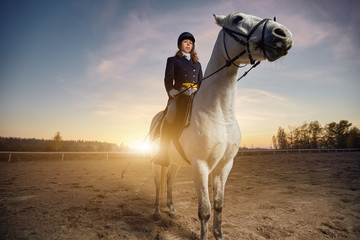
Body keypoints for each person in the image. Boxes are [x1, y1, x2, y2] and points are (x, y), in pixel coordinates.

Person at [154, 32, 203, 166]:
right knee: (170, 115)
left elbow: (201, 81)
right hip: (179, 94)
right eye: (185, 42)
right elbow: (168, 79)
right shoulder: (173, 60)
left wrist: (200, 92)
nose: (188, 44)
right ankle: (162, 153)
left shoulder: (197, 64)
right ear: (180, 44)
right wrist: (171, 91)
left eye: (190, 43)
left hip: (195, 95)